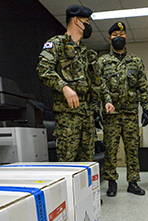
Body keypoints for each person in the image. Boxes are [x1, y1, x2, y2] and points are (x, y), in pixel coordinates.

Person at [37, 5, 100, 162]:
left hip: (87, 115)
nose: (88, 25)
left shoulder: (86, 52)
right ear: (76, 21)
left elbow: (93, 83)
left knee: (87, 163)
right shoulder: (57, 44)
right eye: (86, 21)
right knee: (67, 162)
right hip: (68, 116)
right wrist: (64, 87)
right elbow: (43, 70)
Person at [97, 21, 148, 197]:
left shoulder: (136, 61)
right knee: (111, 150)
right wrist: (102, 106)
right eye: (114, 35)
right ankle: (112, 183)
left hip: (130, 114)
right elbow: (99, 86)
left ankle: (133, 182)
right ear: (110, 38)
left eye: (121, 34)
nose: (118, 38)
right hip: (111, 115)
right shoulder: (102, 62)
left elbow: (143, 86)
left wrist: (147, 109)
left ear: (126, 36)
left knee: (132, 149)